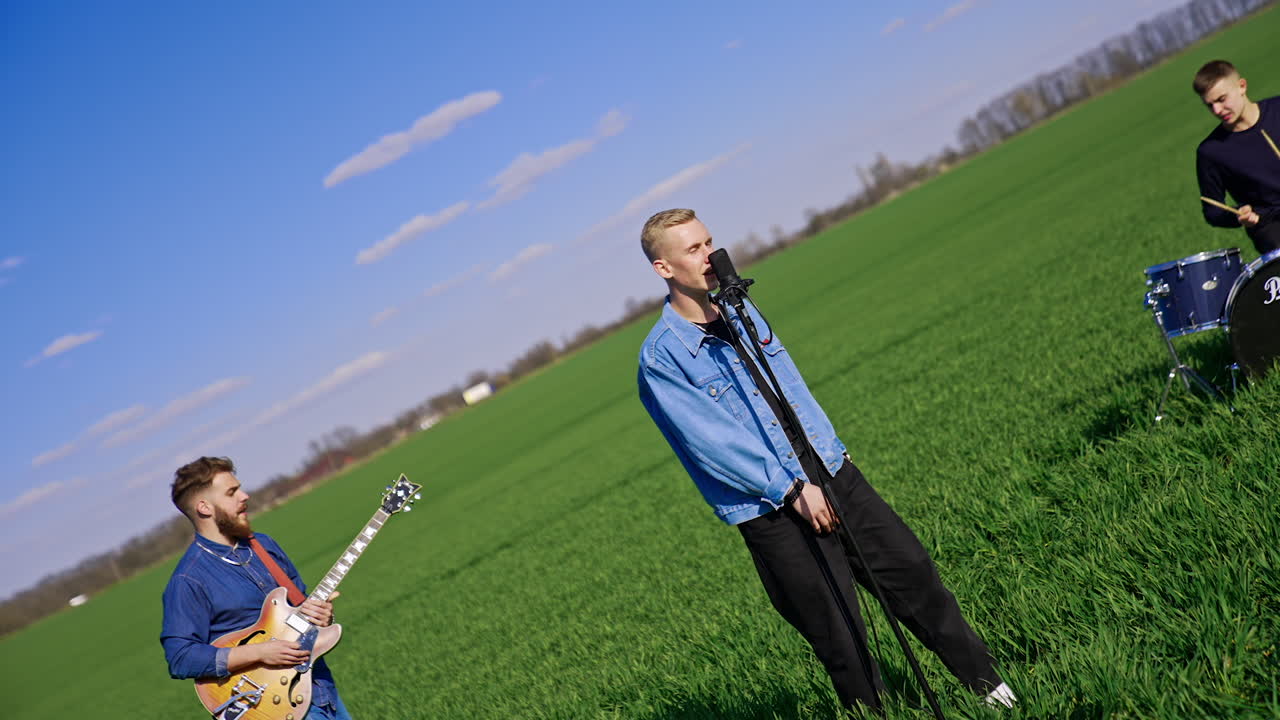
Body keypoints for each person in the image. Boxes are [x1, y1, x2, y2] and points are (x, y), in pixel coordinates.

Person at [635, 208, 1015, 713]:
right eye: (694, 249)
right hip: (773, 505)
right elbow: (713, 443)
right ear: (664, 268)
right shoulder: (663, 357)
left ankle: (989, 687)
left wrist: (831, 451)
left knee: (911, 572)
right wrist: (792, 491)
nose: (710, 256)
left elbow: (790, 388)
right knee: (840, 631)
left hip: (830, 471)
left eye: (709, 242)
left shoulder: (741, 311)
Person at [160, 456, 352, 719]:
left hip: (318, 686)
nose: (245, 495)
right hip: (263, 703)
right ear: (204, 507)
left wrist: (321, 615)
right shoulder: (189, 580)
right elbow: (181, 658)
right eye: (232, 492)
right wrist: (260, 652)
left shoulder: (264, 545)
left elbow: (300, 607)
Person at [1194, 59, 1280, 254]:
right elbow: (1212, 210)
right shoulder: (1211, 152)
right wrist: (1238, 216)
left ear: (1242, 86)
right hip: (1271, 226)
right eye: (1210, 105)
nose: (1217, 110)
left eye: (1222, 99)